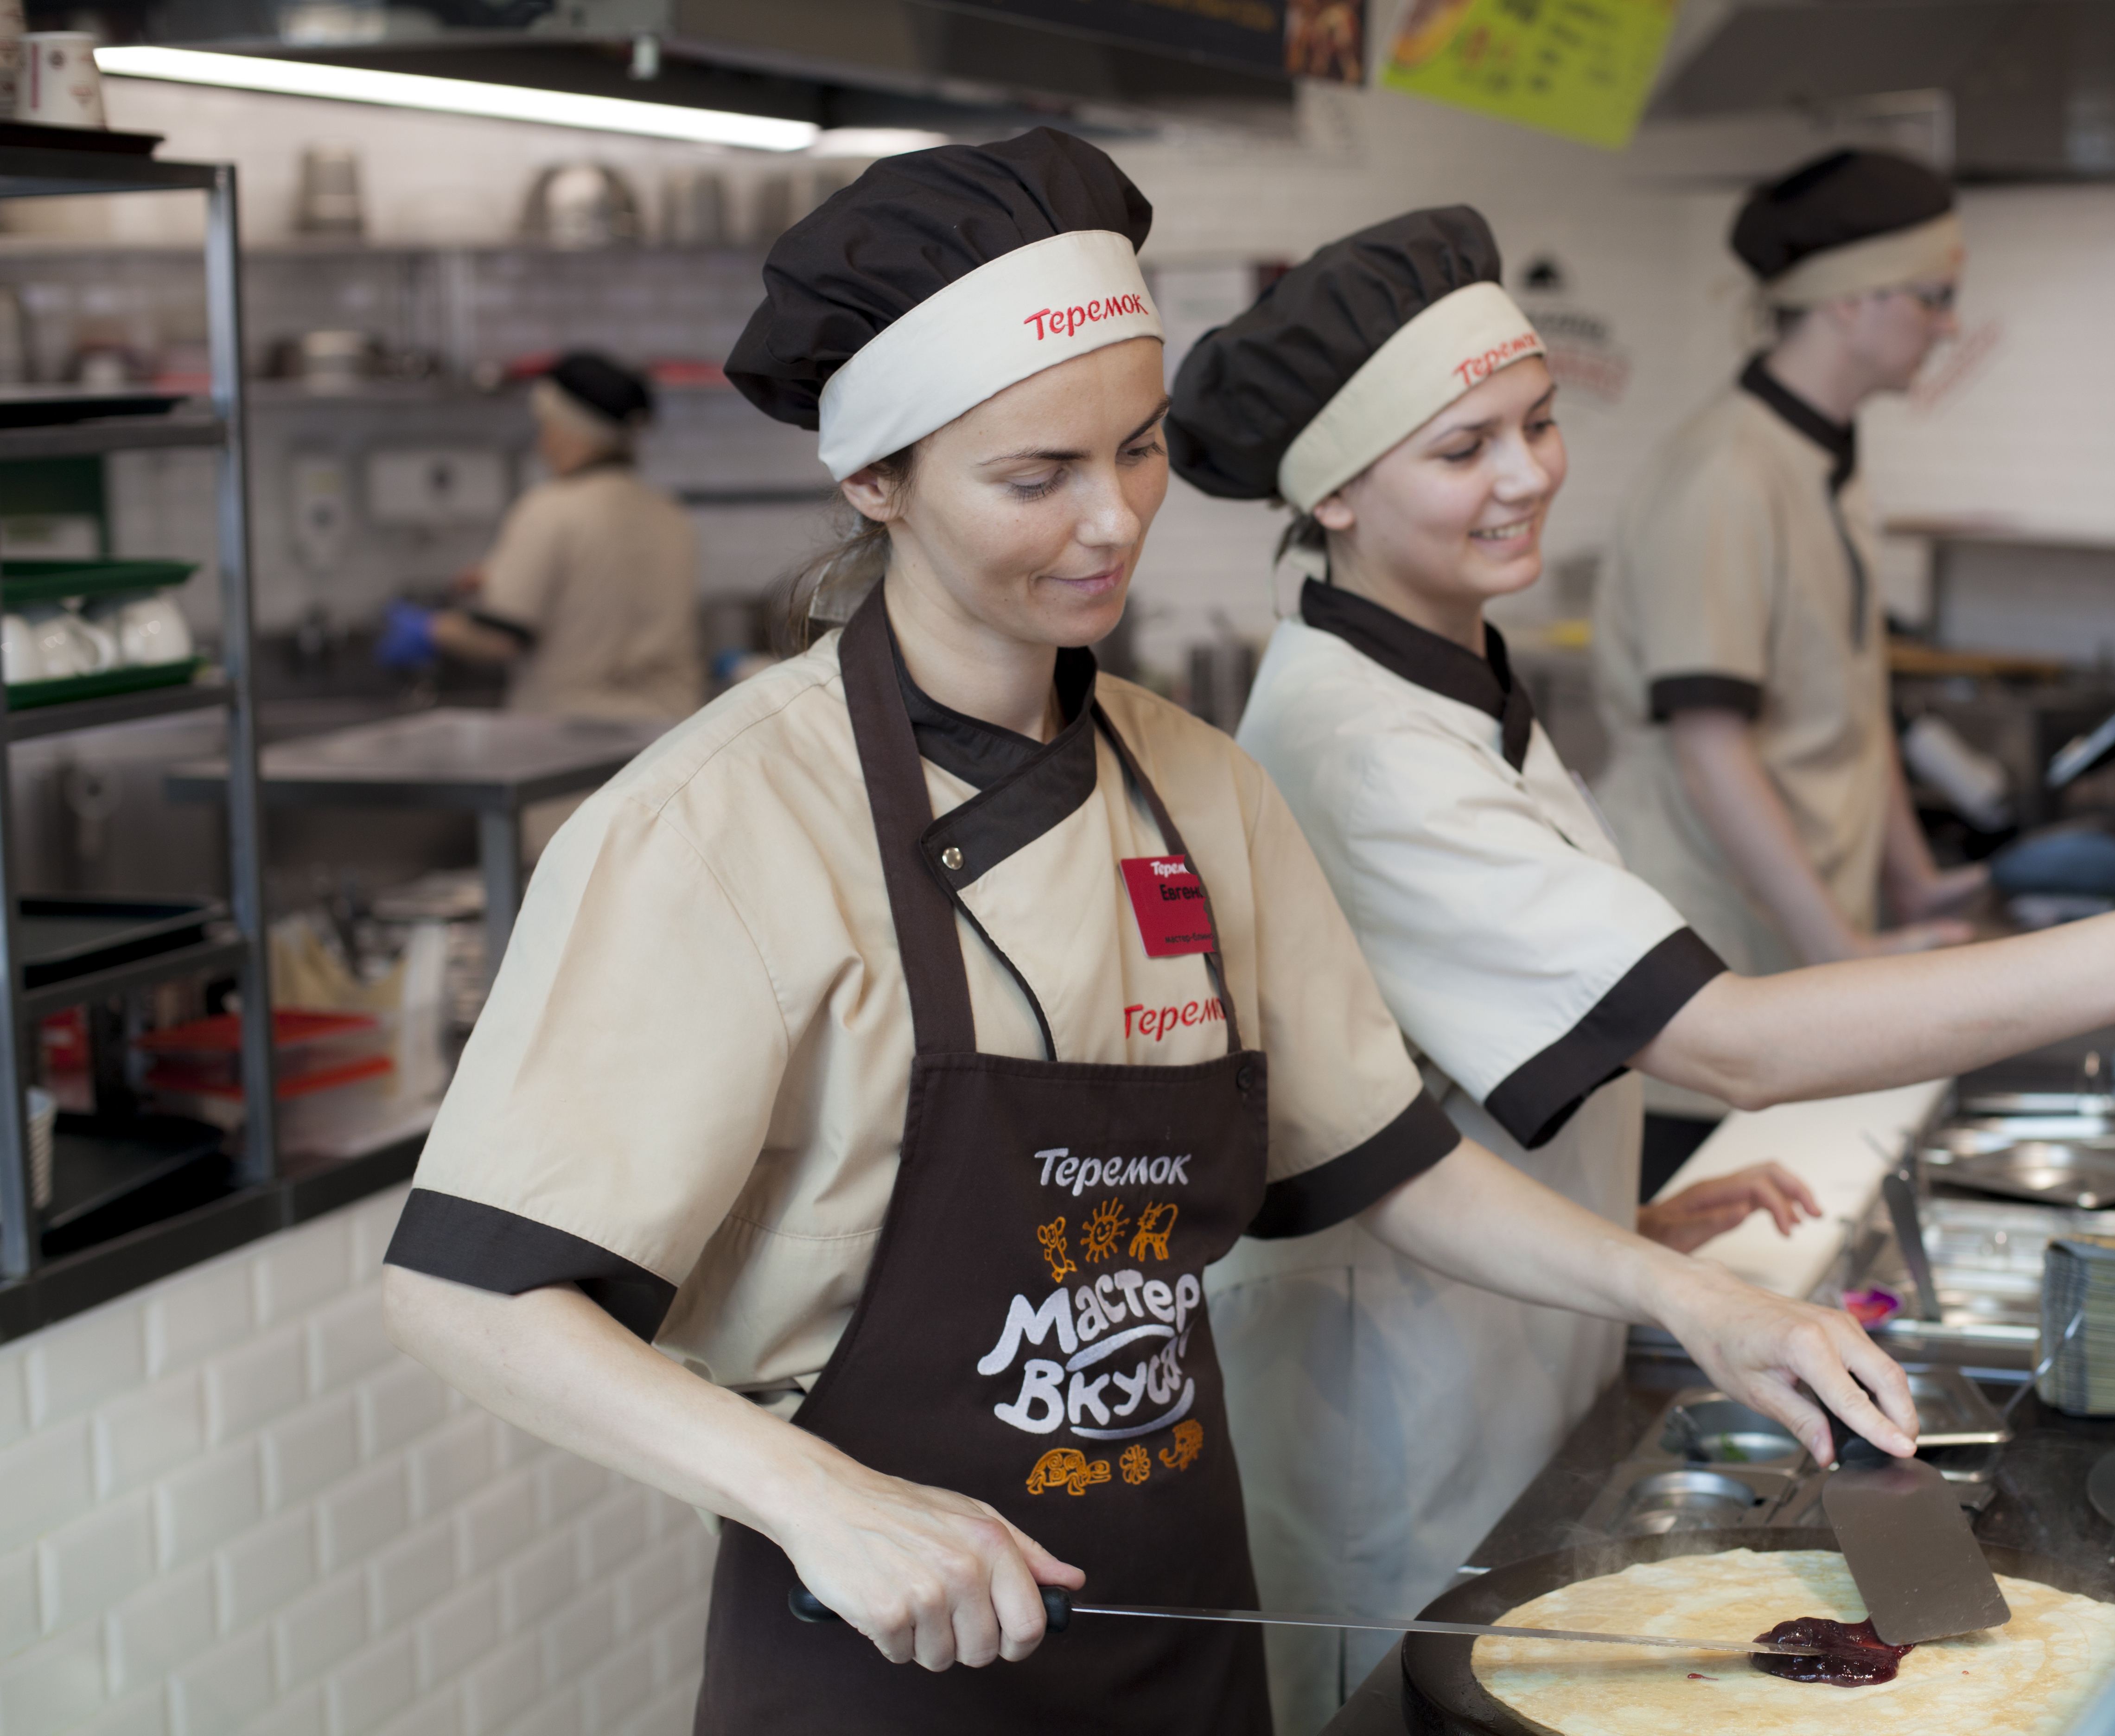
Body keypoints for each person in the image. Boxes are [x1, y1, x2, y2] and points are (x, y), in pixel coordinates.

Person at [375, 132, 1924, 1736]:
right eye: (1033, 477)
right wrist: (811, 1495)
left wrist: (1699, 1304)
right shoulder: (718, 824)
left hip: (1186, 1623)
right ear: (873, 480)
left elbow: (1386, 1167)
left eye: (1134, 451)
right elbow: (469, 1291)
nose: (1113, 521)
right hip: (885, 1660)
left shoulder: (1202, 789)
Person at [1165, 204, 2115, 1732]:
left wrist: (1627, 1211)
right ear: (1331, 490)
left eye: (1536, 425)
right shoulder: (1363, 748)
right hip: (1395, 1427)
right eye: (1461, 449)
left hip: (1498, 1353)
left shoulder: (1441, 675)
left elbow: (1418, 1065)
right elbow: (1724, 1041)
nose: (1526, 474)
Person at [1588, 147, 1985, 1172]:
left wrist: (1915, 883)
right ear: (1850, 303)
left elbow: (1855, 701)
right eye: (1935, 297)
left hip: (1800, 957)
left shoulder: (1825, 456)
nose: (1948, 325)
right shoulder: (1728, 473)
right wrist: (1842, 954)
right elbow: (1711, 748)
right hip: (1708, 970)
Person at [379, 350, 703, 724]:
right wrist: (498, 575)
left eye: (547, 427)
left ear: (571, 430)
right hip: (668, 734)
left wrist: (429, 630)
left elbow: (498, 639)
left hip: (573, 740)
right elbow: (606, 585)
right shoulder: (669, 512)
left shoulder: (549, 508)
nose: (541, 444)